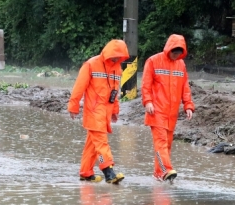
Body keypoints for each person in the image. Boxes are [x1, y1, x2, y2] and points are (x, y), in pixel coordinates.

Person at [68, 39, 129, 184]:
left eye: (119, 57)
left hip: (106, 112)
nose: (115, 59)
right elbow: (79, 87)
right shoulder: (91, 64)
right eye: (114, 56)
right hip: (93, 111)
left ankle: (86, 172)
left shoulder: (117, 69)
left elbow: (115, 91)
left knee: (92, 145)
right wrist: (73, 106)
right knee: (101, 143)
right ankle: (109, 171)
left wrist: (115, 110)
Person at [141, 34, 195, 181]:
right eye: (174, 53)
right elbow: (146, 84)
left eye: (179, 54)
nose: (175, 56)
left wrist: (188, 105)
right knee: (161, 143)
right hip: (156, 110)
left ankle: (159, 174)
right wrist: (148, 102)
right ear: (168, 49)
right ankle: (166, 170)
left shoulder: (181, 64)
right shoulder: (153, 61)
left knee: (168, 145)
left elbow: (185, 86)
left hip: (172, 113)